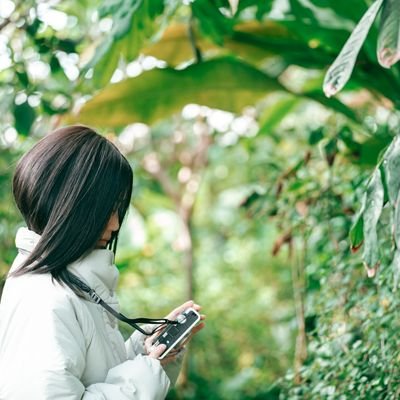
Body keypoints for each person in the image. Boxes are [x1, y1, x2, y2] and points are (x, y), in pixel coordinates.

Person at [0, 125, 205, 399]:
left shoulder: (66, 281)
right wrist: (145, 373)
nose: (115, 223)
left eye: (118, 208)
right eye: (107, 208)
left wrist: (143, 352)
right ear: (69, 204)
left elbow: (92, 375)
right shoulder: (46, 299)